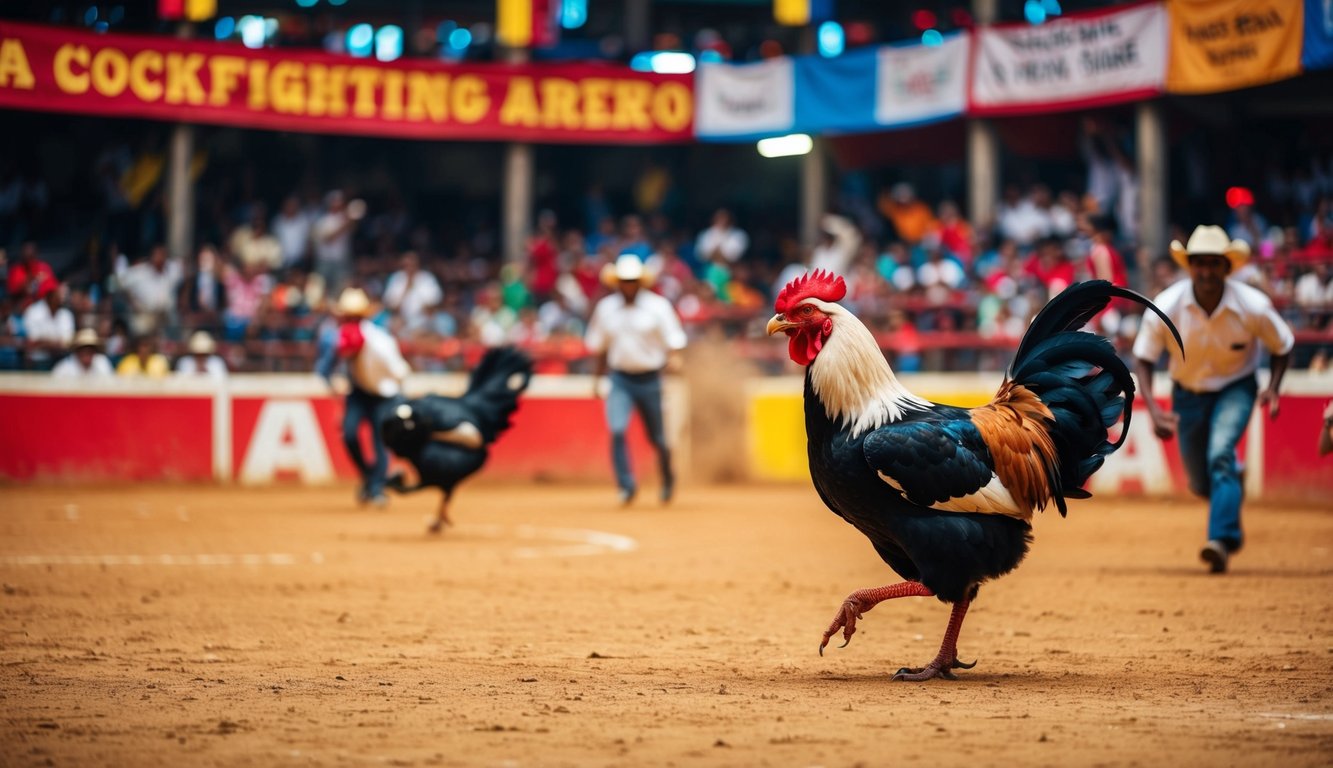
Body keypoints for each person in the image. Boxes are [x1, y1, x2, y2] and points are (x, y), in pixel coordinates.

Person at [1132, 225, 1294, 575]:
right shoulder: (1166, 306)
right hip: (1187, 394)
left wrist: (1274, 387)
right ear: (1189, 266)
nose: (1205, 271)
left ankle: (1219, 540)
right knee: (1200, 482)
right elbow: (1143, 359)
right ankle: (1231, 483)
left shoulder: (1253, 306)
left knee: (1220, 454)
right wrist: (1155, 410)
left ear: (1227, 267)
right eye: (1198, 263)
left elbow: (1283, 346)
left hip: (1237, 387)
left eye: (1213, 263)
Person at [584, 254, 687, 506]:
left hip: (650, 379)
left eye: (631, 280)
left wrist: (674, 358)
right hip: (620, 379)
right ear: (617, 282)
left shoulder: (658, 306)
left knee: (659, 439)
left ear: (640, 282)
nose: (627, 285)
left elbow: (673, 340)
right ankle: (626, 486)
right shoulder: (606, 309)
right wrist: (597, 380)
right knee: (617, 429)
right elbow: (601, 348)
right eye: (623, 280)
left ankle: (667, 478)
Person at [316, 287, 411, 507]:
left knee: (380, 440)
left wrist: (399, 401)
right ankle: (371, 477)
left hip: (384, 394)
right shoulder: (339, 338)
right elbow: (324, 369)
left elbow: (401, 373)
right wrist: (334, 388)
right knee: (349, 435)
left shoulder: (380, 345)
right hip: (358, 392)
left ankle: (376, 487)